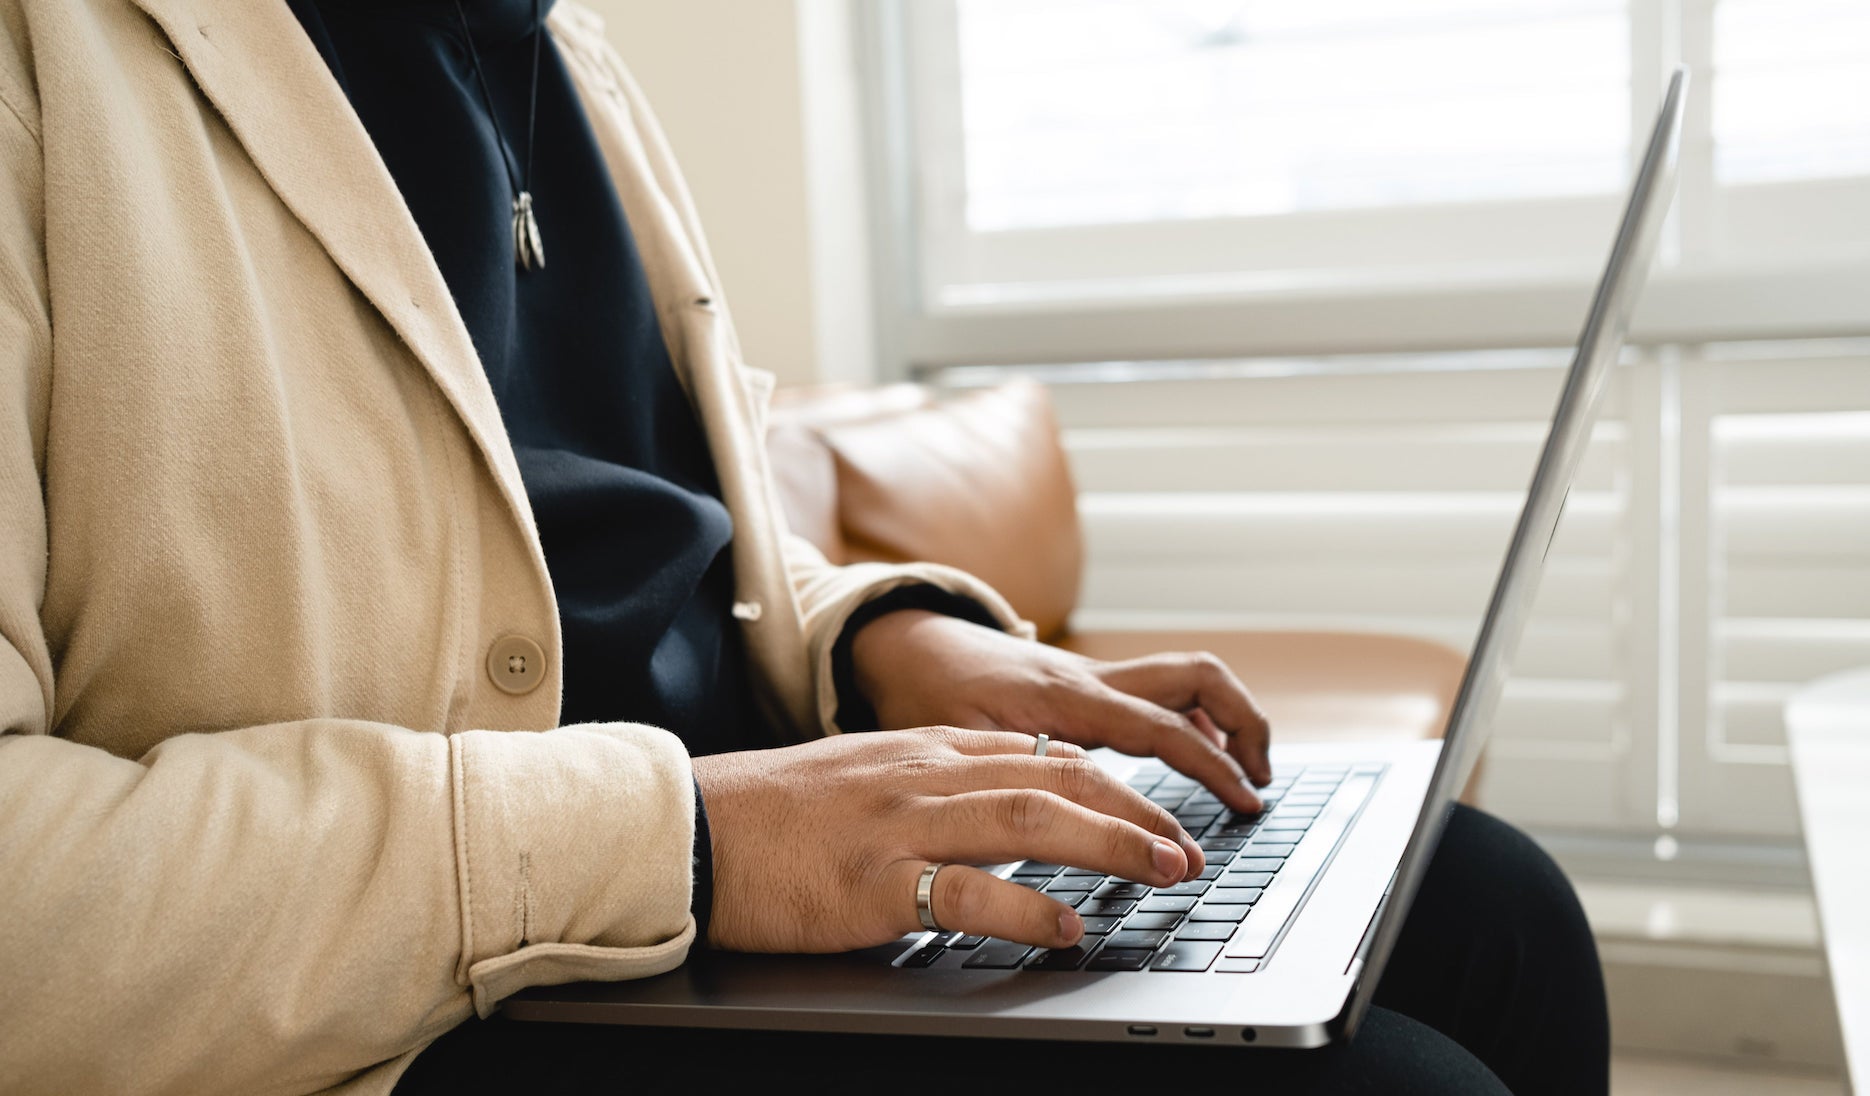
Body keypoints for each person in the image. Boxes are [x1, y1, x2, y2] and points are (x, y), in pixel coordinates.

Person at [0, 1, 1609, 1093]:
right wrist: (688, 837)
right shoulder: (48, 73)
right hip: (411, 999)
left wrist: (886, 640)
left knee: (1491, 908)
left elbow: (631, 533)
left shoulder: (554, 54)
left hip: (707, 869)